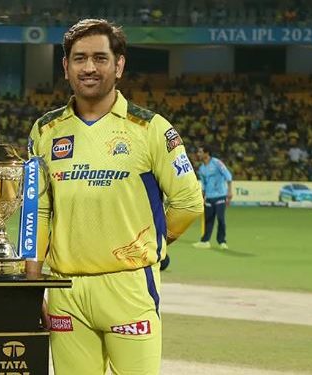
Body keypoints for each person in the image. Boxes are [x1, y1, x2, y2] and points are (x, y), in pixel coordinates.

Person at [26, 19, 203, 374]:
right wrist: (32, 284)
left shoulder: (151, 128)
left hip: (129, 285)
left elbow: (188, 202)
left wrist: (154, 241)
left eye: (100, 58)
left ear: (119, 65)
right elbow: (39, 211)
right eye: (79, 59)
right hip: (65, 290)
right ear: (65, 67)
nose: (89, 68)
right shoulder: (45, 131)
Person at [193, 145, 233, 249]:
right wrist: (202, 197)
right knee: (208, 220)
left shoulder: (217, 163)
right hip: (209, 197)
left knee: (220, 219)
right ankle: (205, 241)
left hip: (220, 195)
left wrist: (229, 192)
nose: (199, 154)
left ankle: (222, 242)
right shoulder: (201, 168)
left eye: (200, 152)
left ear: (207, 153)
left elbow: (228, 176)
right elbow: (204, 184)